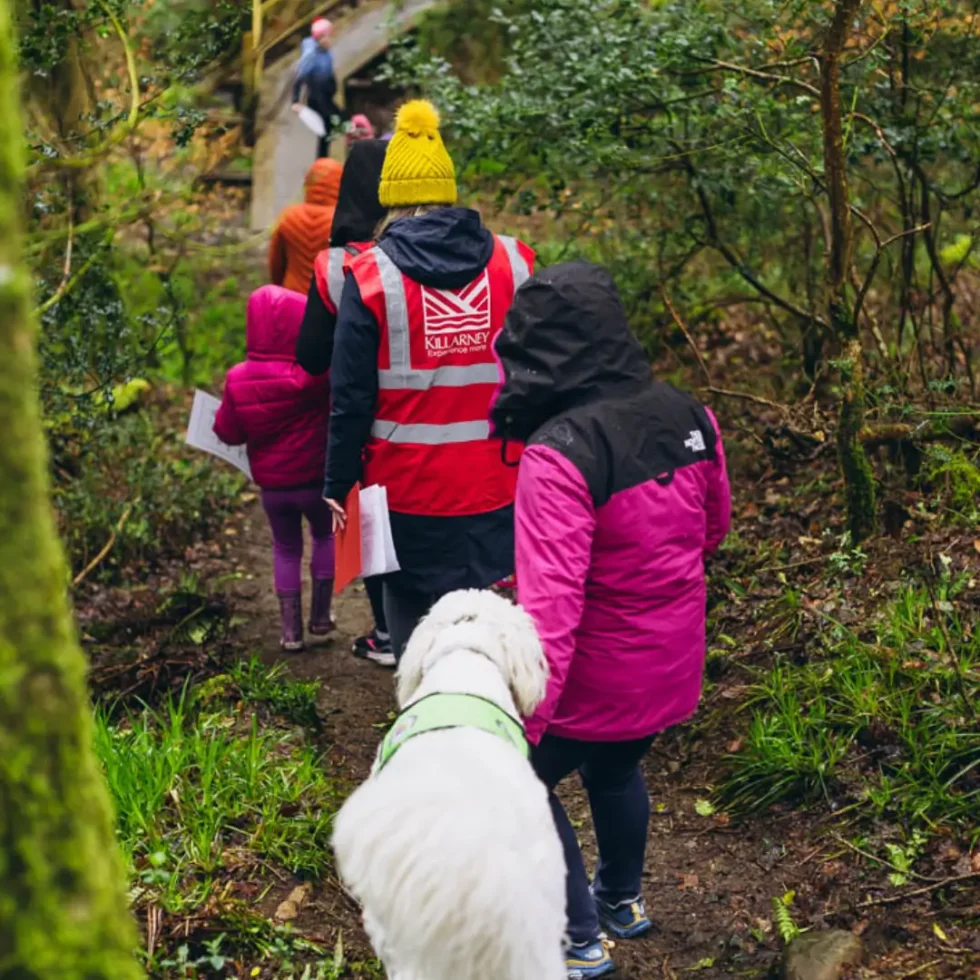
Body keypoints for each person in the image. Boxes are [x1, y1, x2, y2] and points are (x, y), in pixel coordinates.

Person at [491, 262, 732, 980]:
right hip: (671, 660)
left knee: (522, 781)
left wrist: (525, 722)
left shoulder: (561, 450)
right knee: (616, 765)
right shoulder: (690, 414)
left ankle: (578, 937)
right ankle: (621, 900)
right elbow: (711, 529)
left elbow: (553, 609)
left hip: (592, 671)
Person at [321, 100, 535, 662]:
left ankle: (428, 726)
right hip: (500, 486)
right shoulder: (515, 263)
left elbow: (349, 399)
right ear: (448, 189)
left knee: (415, 642)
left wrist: (335, 485)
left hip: (403, 498)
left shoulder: (369, 276)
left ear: (390, 198)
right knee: (487, 627)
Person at [297, 138, 393, 666]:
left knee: (374, 521)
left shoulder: (335, 265)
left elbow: (311, 356)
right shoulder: (432, 254)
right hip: (432, 412)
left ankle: (387, 631)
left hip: (366, 423)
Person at [214, 285, 335, 652]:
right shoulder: (317, 375)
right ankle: (321, 618)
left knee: (285, 548)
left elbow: (228, 432)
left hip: (273, 490)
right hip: (315, 481)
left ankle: (290, 633)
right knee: (324, 537)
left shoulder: (237, 378)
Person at [268, 157, 342, 295]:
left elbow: (275, 264)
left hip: (291, 297)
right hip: (327, 303)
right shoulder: (342, 222)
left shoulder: (288, 216)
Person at [292, 17, 343, 157]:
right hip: (317, 98)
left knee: (333, 125)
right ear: (320, 38)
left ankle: (323, 157)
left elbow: (330, 73)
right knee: (328, 127)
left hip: (326, 97)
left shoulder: (326, 53)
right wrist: (295, 101)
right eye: (328, 37)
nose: (331, 40)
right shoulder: (311, 55)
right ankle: (322, 159)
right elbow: (299, 78)